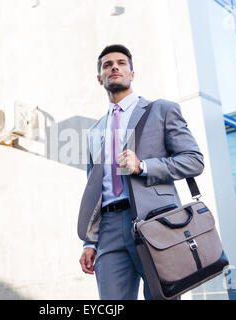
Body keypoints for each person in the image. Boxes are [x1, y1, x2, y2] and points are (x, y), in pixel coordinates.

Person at [77, 44, 204, 300]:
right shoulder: (94, 132)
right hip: (109, 230)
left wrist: (144, 166)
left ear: (132, 73)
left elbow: (193, 160)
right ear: (99, 78)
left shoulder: (161, 110)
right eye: (107, 64)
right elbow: (94, 187)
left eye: (121, 63)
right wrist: (90, 242)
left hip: (156, 221)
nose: (114, 67)